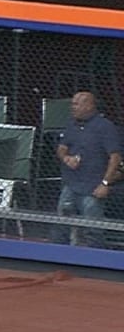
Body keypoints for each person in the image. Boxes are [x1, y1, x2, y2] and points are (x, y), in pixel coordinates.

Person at [50, 91, 121, 248]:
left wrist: (105, 183)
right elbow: (61, 147)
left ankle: (95, 260)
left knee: (92, 227)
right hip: (72, 183)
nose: (72, 107)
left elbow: (115, 157)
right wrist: (66, 158)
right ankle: (57, 255)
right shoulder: (72, 124)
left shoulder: (105, 127)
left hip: (93, 186)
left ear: (89, 105)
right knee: (62, 222)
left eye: (76, 104)